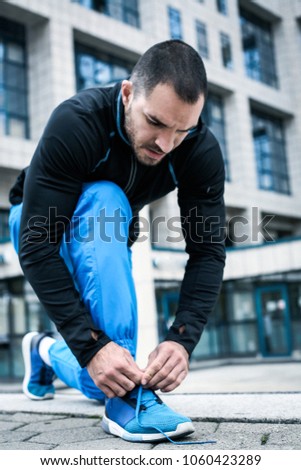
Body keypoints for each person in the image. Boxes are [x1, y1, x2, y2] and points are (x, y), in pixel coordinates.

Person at [8, 40, 225, 443]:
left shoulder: (199, 149)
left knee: (100, 380)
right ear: (127, 94)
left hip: (104, 234)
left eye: (182, 130)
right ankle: (129, 401)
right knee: (108, 198)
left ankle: (44, 351)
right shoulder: (77, 121)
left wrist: (182, 340)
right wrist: (91, 348)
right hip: (40, 225)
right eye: (155, 122)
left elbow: (208, 250)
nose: (166, 144)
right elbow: (35, 245)